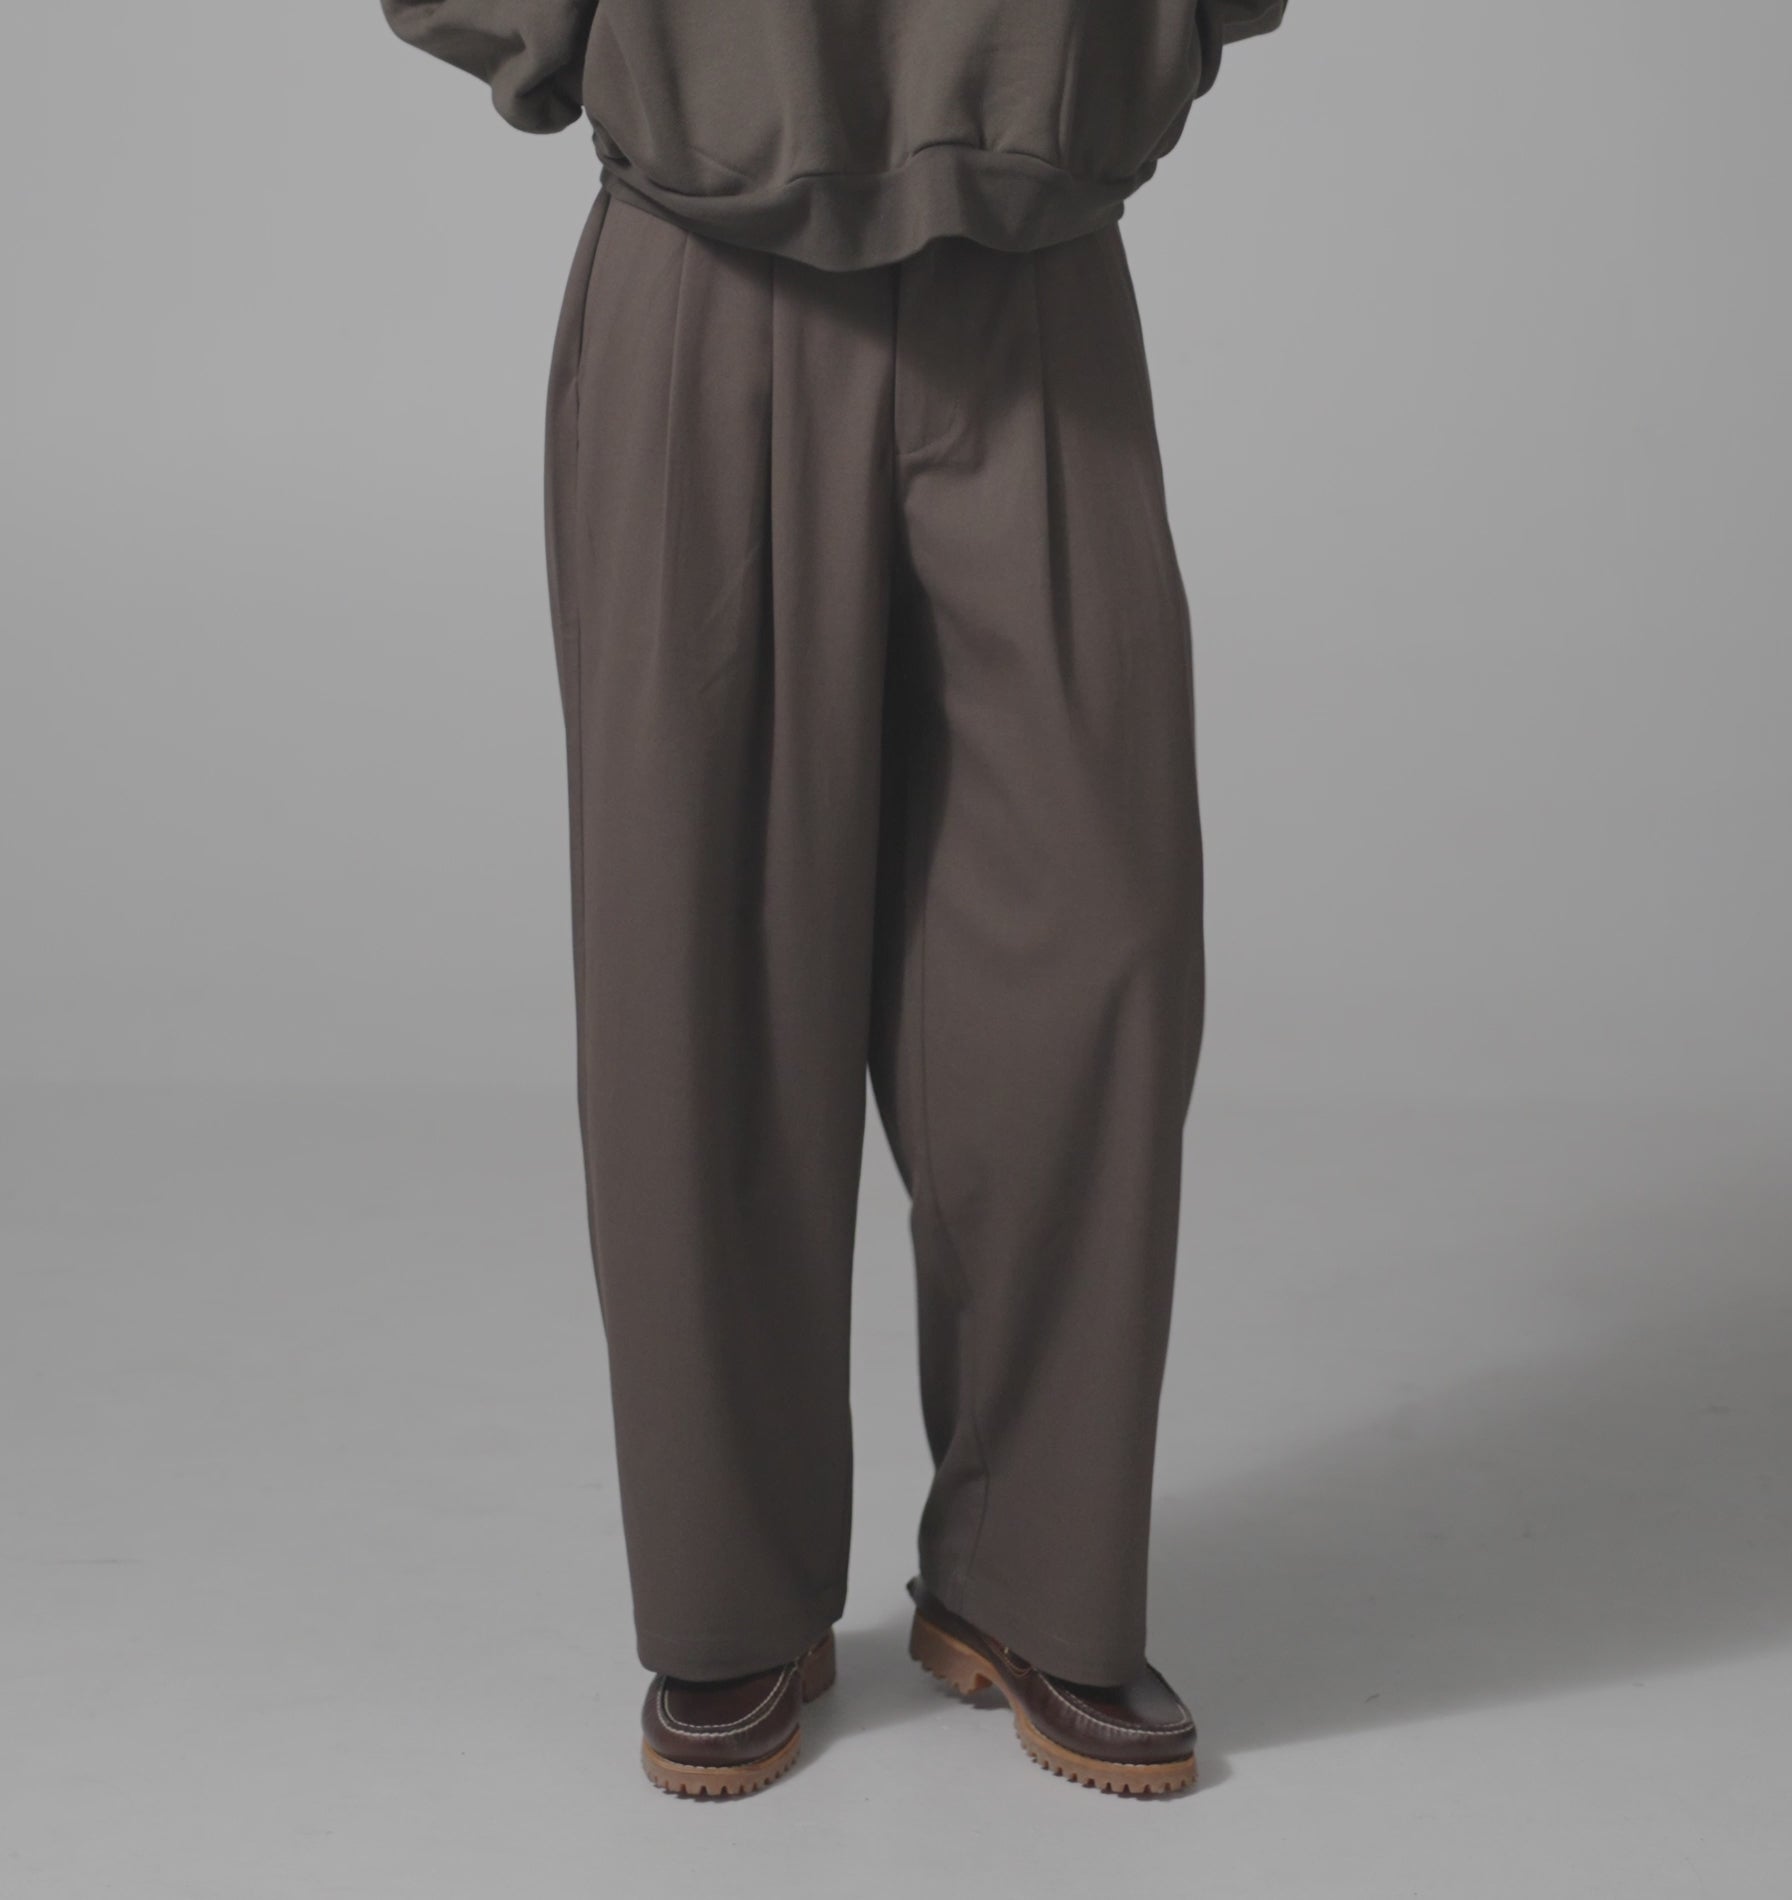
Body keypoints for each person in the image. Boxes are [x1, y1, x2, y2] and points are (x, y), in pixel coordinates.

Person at [379, 0, 1287, 1799]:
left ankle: (1035, 1575)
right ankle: (729, 1596)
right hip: (706, 270)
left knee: (1092, 949)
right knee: (700, 964)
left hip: (1037, 272)